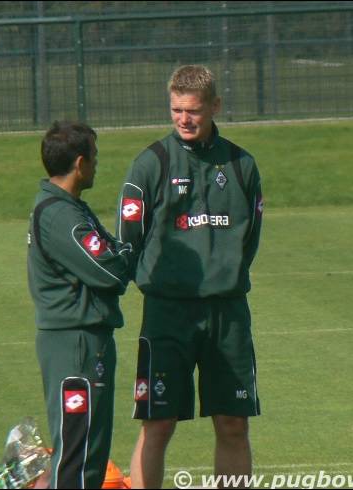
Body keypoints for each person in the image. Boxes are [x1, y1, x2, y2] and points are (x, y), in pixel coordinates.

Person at [116, 65, 264, 488]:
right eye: (176, 109)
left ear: (215, 106)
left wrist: (223, 272)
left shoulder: (242, 165)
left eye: (193, 110)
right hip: (167, 315)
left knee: (233, 423)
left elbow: (250, 238)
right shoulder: (151, 164)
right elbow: (129, 238)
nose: (184, 119)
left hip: (227, 314)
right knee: (157, 423)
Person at [27, 121, 134, 489]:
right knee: (79, 455)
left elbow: (111, 255)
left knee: (89, 453)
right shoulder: (61, 216)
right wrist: (126, 253)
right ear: (79, 163)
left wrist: (119, 254)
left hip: (82, 341)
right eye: (94, 156)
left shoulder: (70, 208)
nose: (97, 164)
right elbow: (111, 271)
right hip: (75, 345)